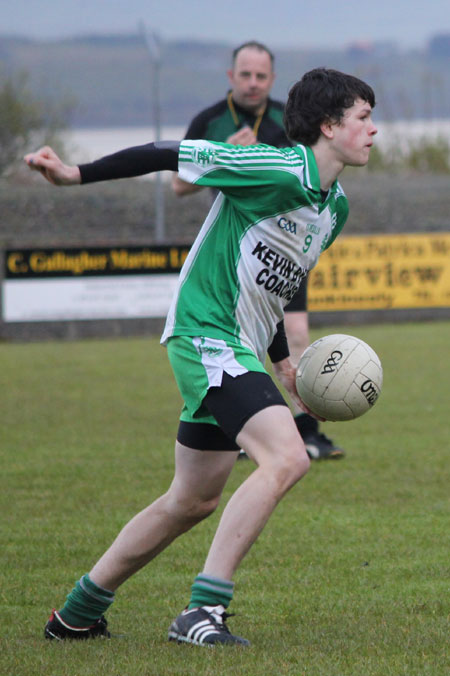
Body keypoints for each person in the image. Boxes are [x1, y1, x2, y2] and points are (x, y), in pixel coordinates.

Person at [25, 67, 377, 646]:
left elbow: (275, 284)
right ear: (329, 125)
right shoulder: (272, 166)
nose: (373, 131)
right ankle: (202, 611)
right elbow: (168, 153)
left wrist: (284, 361)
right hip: (205, 334)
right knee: (288, 458)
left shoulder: (334, 209)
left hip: (241, 348)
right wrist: (75, 173)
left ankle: (76, 614)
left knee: (191, 500)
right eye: (364, 118)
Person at [172, 41, 344, 460]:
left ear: (272, 78)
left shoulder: (290, 122)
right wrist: (231, 155)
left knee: (297, 335)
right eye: (245, 75)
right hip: (241, 250)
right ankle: (254, 427)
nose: (253, 83)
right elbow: (178, 185)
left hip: (286, 250)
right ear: (231, 76)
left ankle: (308, 431)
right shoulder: (210, 121)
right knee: (247, 339)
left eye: (261, 76)